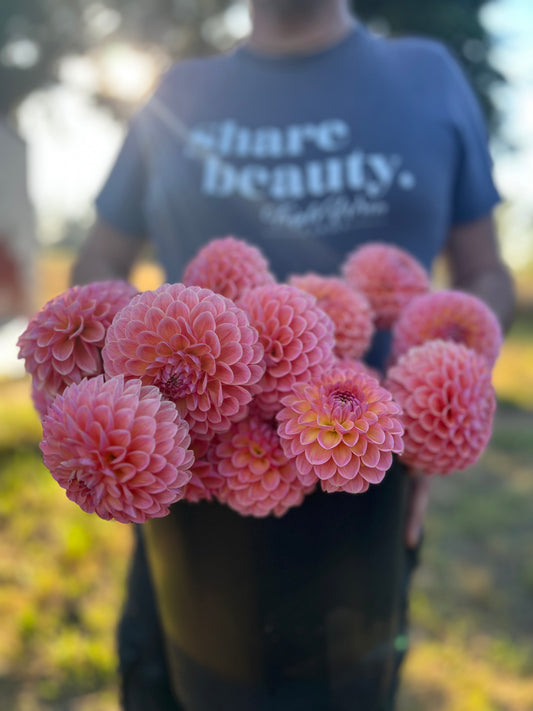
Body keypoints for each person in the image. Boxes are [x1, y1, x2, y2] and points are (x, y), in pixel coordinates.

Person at [72, 1, 515, 708]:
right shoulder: (175, 91)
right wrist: (114, 389)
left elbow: (484, 272)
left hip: (362, 499)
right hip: (188, 493)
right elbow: (100, 253)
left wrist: (443, 392)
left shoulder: (427, 74)